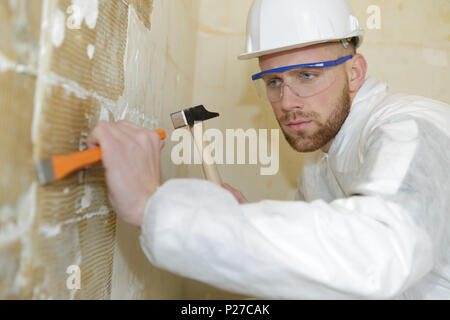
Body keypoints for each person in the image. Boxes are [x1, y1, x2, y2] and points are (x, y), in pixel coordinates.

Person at [87, 0, 450, 299]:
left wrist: (152, 209)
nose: (287, 101)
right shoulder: (319, 161)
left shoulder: (410, 130)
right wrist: (242, 217)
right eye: (273, 81)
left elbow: (378, 256)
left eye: (307, 75)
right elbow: (318, 261)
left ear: (354, 72)